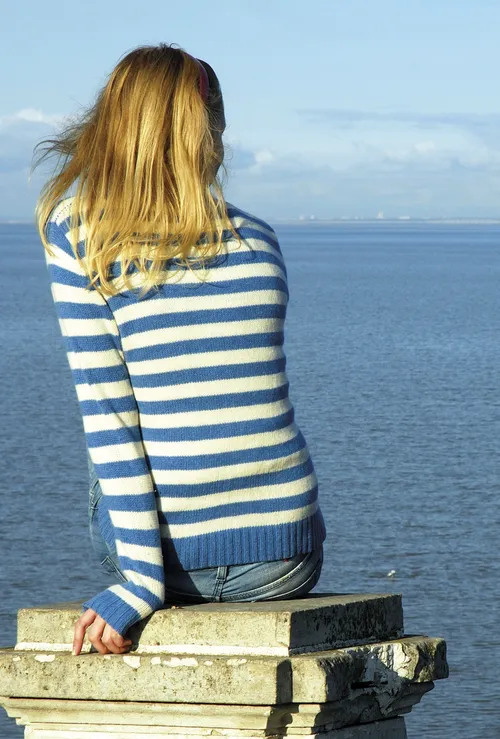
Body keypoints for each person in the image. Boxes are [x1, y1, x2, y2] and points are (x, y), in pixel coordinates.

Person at [32, 43, 327, 658]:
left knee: (124, 415)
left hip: (170, 562)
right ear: (209, 131)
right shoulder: (260, 242)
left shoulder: (80, 233)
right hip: (287, 556)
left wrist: (139, 585)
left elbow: (111, 425)